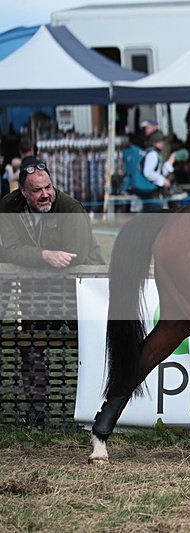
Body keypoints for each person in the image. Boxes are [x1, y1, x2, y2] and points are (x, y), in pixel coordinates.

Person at [0, 157, 105, 426]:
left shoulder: (70, 207)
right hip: (38, 290)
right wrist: (44, 255)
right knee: (31, 344)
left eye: (48, 187)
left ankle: (101, 409)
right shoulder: (8, 207)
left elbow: (75, 256)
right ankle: (36, 410)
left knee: (92, 347)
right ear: (23, 192)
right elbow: (9, 251)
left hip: (81, 290)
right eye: (36, 190)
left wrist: (39, 258)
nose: (45, 194)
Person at [139, 131, 175, 210]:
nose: (163, 143)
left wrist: (169, 163)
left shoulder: (156, 153)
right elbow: (148, 172)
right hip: (151, 192)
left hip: (154, 191)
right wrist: (163, 181)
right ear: (156, 142)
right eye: (161, 141)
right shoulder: (153, 154)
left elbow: (159, 170)